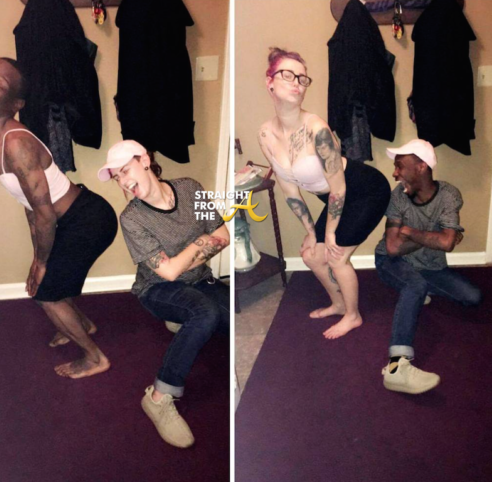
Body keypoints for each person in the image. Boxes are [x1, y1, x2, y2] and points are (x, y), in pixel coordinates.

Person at [0, 58, 118, 378]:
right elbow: (30, 204)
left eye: (0, 85)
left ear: (16, 105)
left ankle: (94, 358)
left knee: (45, 294)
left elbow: (44, 214)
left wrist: (40, 262)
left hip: (87, 221)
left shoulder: (16, 144)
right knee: (50, 280)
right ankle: (81, 324)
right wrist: (39, 256)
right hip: (67, 218)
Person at [98, 140, 230, 448]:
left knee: (226, 320)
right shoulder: (131, 218)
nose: (123, 182)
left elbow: (222, 234)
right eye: (117, 177)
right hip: (157, 289)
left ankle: (184, 319)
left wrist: (186, 258)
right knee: (205, 314)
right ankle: (158, 396)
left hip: (199, 280)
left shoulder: (191, 188)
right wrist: (200, 243)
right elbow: (168, 273)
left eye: (125, 170)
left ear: (144, 160)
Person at [257, 47, 390, 339]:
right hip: (334, 198)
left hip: (365, 191)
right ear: (269, 81)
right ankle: (339, 303)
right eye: (288, 75)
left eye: (302, 78)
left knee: (335, 256)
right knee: (310, 254)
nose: (297, 83)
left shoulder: (317, 130)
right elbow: (289, 188)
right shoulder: (266, 134)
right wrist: (311, 232)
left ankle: (353, 316)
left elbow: (339, 188)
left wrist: (329, 233)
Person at [375, 139, 482, 394]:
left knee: (472, 297)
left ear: (421, 166)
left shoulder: (449, 195)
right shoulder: (398, 196)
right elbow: (393, 247)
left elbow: (446, 244)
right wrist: (436, 234)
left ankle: (418, 292)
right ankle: (396, 368)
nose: (395, 173)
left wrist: (410, 231)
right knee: (415, 285)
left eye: (400, 166)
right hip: (392, 262)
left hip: (430, 266)